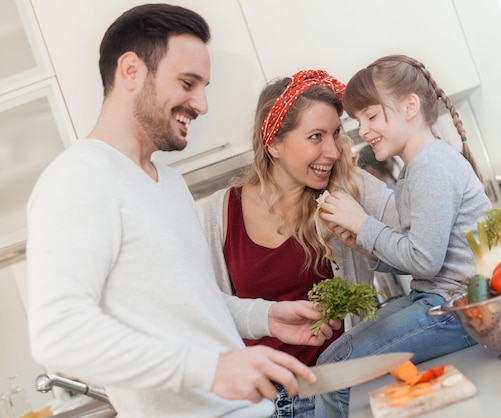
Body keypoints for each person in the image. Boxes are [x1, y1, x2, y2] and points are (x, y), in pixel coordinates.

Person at [26, 5, 339, 418]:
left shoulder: (168, 184)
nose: (202, 104)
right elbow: (58, 334)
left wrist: (267, 316)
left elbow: (195, 306)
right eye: (188, 83)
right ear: (132, 71)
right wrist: (212, 369)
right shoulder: (79, 180)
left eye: (204, 86)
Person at [202, 70, 400, 417]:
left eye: (336, 133)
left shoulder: (352, 189)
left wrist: (365, 234)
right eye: (316, 136)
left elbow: (418, 252)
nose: (334, 150)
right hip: (259, 405)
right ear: (274, 143)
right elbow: (206, 310)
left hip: (338, 394)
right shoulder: (220, 211)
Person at [315, 55, 492, 417]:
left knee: (332, 374)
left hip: (456, 310)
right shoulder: (417, 168)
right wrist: (361, 243)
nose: (362, 131)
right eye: (358, 120)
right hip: (435, 299)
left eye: (371, 116)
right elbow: (419, 255)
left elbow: (423, 260)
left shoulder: (432, 165)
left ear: (410, 106)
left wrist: (363, 223)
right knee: (329, 365)